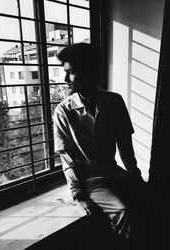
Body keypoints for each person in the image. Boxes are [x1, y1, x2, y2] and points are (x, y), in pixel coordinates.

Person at [53, 43, 164, 249]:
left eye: (72, 72)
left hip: (114, 172)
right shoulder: (63, 111)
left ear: (90, 71)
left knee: (153, 202)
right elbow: (66, 158)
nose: (66, 79)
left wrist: (135, 177)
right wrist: (78, 196)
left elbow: (125, 146)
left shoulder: (114, 101)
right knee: (123, 212)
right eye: (66, 72)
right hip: (91, 180)